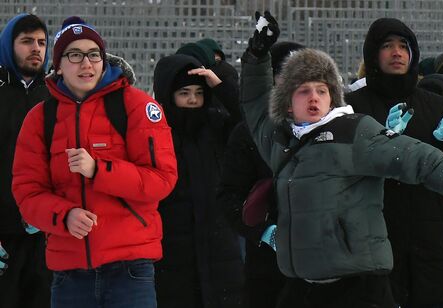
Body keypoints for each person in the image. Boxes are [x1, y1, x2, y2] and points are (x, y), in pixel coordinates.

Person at [240, 11, 443, 308]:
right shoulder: (280, 141)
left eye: (321, 91)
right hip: (305, 284)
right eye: (303, 91)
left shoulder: (353, 130)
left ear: (333, 98)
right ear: (287, 103)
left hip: (359, 282)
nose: (313, 98)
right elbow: (255, 105)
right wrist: (257, 55)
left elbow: (417, 157)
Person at [11, 16, 178, 308]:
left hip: (130, 269)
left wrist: (99, 170)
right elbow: (27, 192)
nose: (86, 64)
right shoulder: (40, 118)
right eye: (74, 55)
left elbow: (162, 180)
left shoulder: (137, 106)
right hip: (69, 272)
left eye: (93, 54)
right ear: (59, 64)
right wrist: (64, 216)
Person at [345, 17, 443, 307]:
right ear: (373, 53)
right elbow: (347, 166)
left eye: (404, 46)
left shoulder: (434, 103)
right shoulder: (353, 106)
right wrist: (383, 141)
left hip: (429, 228)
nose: (397, 53)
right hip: (377, 228)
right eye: (387, 46)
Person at [217, 41, 304, 308]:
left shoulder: (333, 128)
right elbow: (229, 196)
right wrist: (264, 231)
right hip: (268, 264)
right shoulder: (248, 133)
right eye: (286, 76)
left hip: (324, 262)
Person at [153, 53, 243, 308]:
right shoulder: (155, 133)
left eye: (198, 93)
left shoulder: (217, 126)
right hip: (173, 251)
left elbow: (250, 124)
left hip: (220, 249)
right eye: (184, 93)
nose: (193, 100)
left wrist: (222, 88)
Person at [0, 13, 52, 307]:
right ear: (9, 45)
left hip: (45, 231)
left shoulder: (56, 97)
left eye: (42, 42)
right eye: (27, 41)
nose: (36, 48)